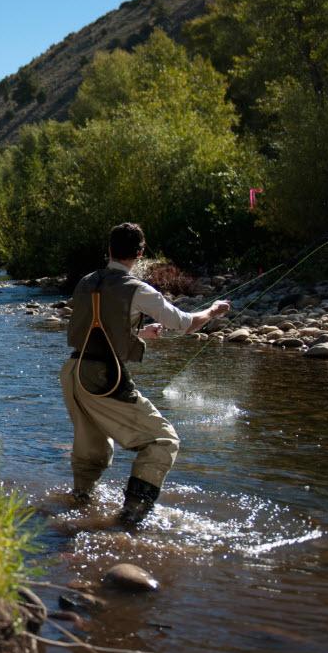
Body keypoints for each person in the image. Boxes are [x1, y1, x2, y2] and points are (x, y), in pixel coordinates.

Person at [60, 222, 229, 527]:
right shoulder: (138, 289)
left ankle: (78, 506)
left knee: (91, 451)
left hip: (73, 372)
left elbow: (94, 328)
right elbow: (186, 323)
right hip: (102, 377)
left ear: (109, 250)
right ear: (139, 253)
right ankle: (132, 515)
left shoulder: (86, 282)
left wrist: (139, 335)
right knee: (162, 441)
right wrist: (213, 311)